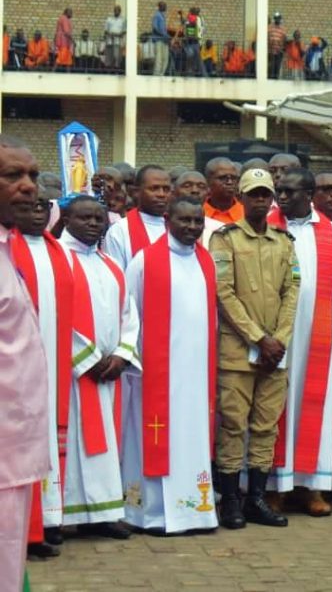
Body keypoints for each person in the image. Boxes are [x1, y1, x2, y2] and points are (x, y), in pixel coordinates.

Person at [209, 168, 300, 529]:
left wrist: (278, 339)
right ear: (242, 200)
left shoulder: (284, 241)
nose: (260, 200)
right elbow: (223, 292)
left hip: (275, 353)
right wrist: (258, 338)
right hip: (237, 352)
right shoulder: (225, 239)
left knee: (266, 427)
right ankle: (230, 501)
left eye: (266, 195)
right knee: (232, 426)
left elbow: (292, 292)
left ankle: (256, 499)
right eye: (253, 195)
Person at [121, 198, 218, 535]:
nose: (192, 227)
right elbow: (128, 315)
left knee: (190, 437)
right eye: (184, 220)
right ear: (167, 220)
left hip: (196, 373)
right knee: (155, 437)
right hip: (156, 374)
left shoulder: (206, 262)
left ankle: (195, 511)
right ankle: (150, 514)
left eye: (197, 221)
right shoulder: (145, 261)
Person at [265, 169, 332, 517]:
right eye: (278, 191)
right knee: (274, 408)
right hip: (276, 336)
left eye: (289, 191)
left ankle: (312, 485)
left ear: (309, 194)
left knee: (315, 408)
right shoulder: (265, 226)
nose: (281, 197)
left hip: (317, 334)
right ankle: (273, 487)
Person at [60, 195, 140, 539]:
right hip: (72, 374)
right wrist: (89, 359)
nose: (94, 224)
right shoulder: (58, 259)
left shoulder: (111, 264)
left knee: (105, 443)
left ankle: (105, 513)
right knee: (72, 446)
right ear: (66, 218)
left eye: (98, 218)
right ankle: (60, 517)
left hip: (109, 373)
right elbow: (55, 313)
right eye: (85, 218)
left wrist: (122, 353)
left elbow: (129, 313)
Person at [10, 192, 74, 554]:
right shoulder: (9, 250)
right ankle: (25, 531)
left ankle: (46, 522)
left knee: (46, 440)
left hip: (53, 365)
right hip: (18, 368)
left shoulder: (58, 251)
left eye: (43, 208)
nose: (37, 213)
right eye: (30, 207)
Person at [0, 138, 50, 590]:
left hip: (13, 450)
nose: (28, 186)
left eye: (32, 176)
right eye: (12, 176)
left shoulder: (7, 246)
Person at [104, 165, 171, 269]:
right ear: (136, 192)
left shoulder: (177, 228)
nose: (161, 194)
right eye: (154, 188)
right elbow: (116, 277)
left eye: (166, 189)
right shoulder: (119, 231)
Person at [203, 158, 243, 224]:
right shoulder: (198, 213)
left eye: (233, 178)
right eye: (223, 178)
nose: (230, 182)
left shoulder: (247, 214)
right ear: (208, 181)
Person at [104, 5, 126, 69]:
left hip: (118, 42)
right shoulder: (109, 19)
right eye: (115, 10)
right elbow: (105, 30)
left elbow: (124, 31)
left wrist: (116, 35)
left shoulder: (123, 20)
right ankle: (109, 71)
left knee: (117, 57)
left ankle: (116, 70)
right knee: (109, 58)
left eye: (118, 10)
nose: (116, 11)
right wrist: (110, 34)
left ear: (120, 11)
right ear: (113, 11)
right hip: (110, 41)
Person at [151, 2, 170, 76]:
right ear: (159, 7)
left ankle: (161, 74)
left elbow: (164, 30)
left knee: (165, 59)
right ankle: (156, 74)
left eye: (165, 5)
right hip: (158, 40)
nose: (165, 7)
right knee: (158, 59)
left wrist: (167, 36)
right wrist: (163, 35)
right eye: (163, 6)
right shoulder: (157, 15)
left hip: (164, 41)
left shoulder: (163, 16)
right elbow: (155, 28)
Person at [268, 12, 286, 79]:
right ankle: (270, 80)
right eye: (276, 18)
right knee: (271, 67)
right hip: (271, 51)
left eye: (278, 18)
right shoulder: (270, 27)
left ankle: (276, 79)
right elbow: (267, 37)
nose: (277, 20)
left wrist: (282, 47)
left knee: (277, 67)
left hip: (279, 52)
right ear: (274, 19)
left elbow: (284, 39)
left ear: (280, 19)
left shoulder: (283, 29)